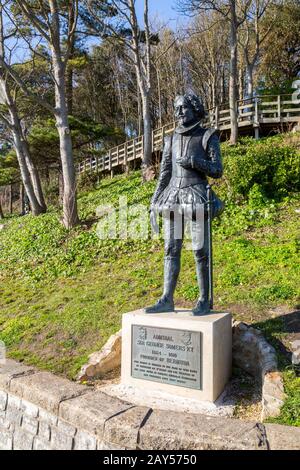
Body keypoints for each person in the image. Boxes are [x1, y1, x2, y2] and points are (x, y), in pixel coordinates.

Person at [146, 93, 223, 315]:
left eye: (183, 108)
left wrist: (194, 162)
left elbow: (217, 170)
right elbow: (164, 172)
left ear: (195, 109)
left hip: (196, 194)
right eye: (176, 108)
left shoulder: (207, 136)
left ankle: (203, 299)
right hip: (172, 197)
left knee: (199, 250)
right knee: (171, 249)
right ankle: (166, 298)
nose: (179, 113)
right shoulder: (170, 139)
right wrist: (154, 202)